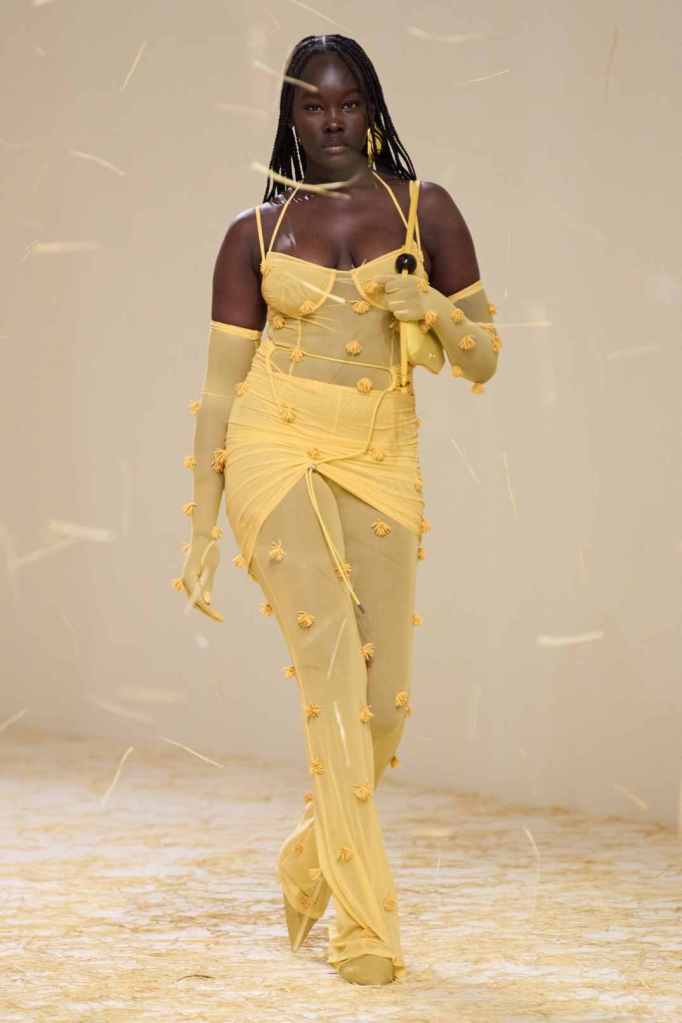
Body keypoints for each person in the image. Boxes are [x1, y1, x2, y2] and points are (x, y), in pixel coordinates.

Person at [172, 33, 501, 985]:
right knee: (331, 684)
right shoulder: (256, 231)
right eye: (312, 105)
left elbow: (484, 356)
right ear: (290, 114)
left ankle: (307, 856)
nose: (331, 121)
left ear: (371, 108)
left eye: (347, 103)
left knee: (383, 701)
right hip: (275, 446)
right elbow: (221, 388)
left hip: (381, 452)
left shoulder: (424, 208)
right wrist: (201, 524)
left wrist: (426, 307)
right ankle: (364, 927)